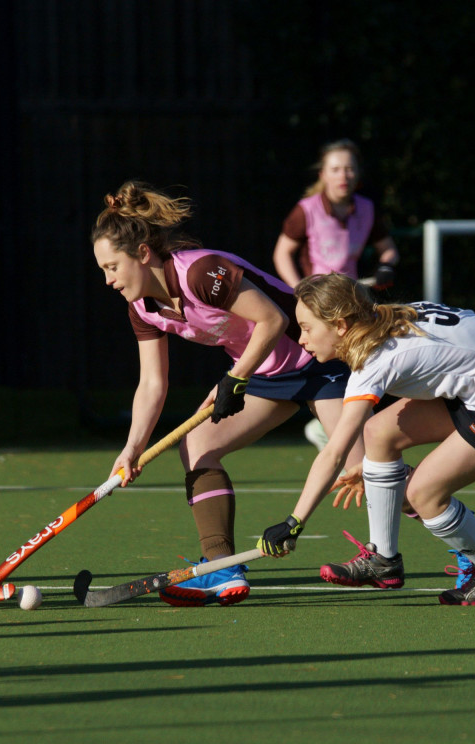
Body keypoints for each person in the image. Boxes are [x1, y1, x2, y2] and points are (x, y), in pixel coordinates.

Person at [92, 181, 364, 607]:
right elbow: (152, 382)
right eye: (103, 271)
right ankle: (222, 567)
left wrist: (234, 378)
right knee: (197, 445)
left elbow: (272, 320)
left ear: (143, 254)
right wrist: (132, 447)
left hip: (319, 355)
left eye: (112, 267)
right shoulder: (142, 306)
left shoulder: (202, 273)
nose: (108, 280)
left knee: (364, 468)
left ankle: (470, 550)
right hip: (265, 372)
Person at [258, 273, 475, 606]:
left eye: (307, 328)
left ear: (340, 325)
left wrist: (294, 522)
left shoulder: (376, 361)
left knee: (423, 494)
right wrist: (374, 470)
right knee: (377, 433)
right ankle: (383, 561)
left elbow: (335, 452)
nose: (301, 339)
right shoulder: (378, 321)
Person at [272, 138, 400, 451]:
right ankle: (327, 426)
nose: (343, 175)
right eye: (335, 169)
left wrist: (386, 267)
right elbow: (281, 253)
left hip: (352, 305)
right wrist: (300, 292)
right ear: (323, 175)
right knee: (332, 366)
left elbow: (389, 252)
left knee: (366, 361)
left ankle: (332, 429)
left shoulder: (366, 209)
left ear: (357, 174)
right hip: (319, 306)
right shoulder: (307, 210)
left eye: (349, 169)